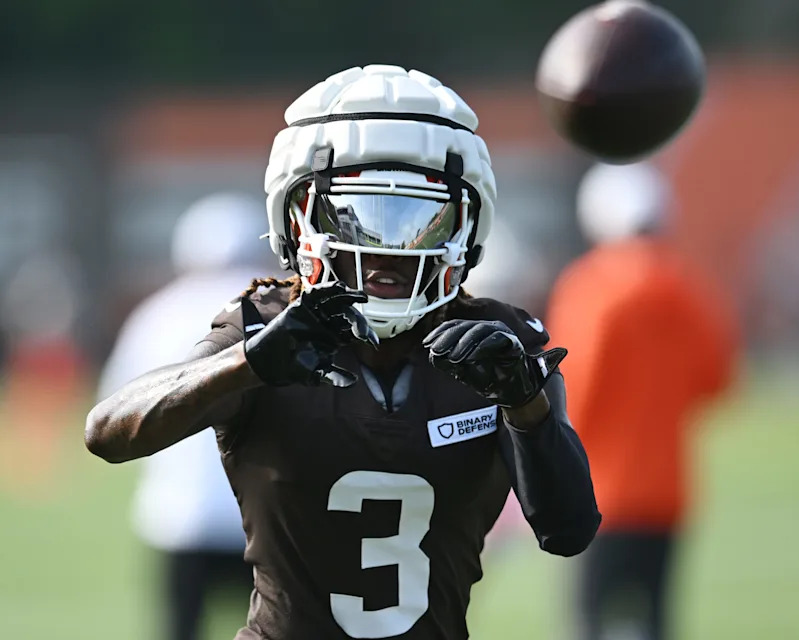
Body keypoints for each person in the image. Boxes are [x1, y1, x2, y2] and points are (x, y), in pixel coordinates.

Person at [86, 65, 601, 640]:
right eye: (356, 219)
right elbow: (107, 432)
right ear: (300, 219)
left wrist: (526, 406)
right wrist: (246, 364)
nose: (389, 250)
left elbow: (569, 530)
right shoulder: (266, 327)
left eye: (421, 222)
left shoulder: (496, 345)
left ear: (465, 228)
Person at [547, 161, 737, 640]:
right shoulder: (685, 286)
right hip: (667, 489)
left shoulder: (590, 286)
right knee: (655, 620)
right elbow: (717, 379)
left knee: (590, 620)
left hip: (599, 491)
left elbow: (574, 389)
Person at [97, 193, 275, 640]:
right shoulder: (279, 311)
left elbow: (115, 411)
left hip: (182, 514)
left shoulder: (158, 312)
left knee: (181, 629)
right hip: (266, 514)